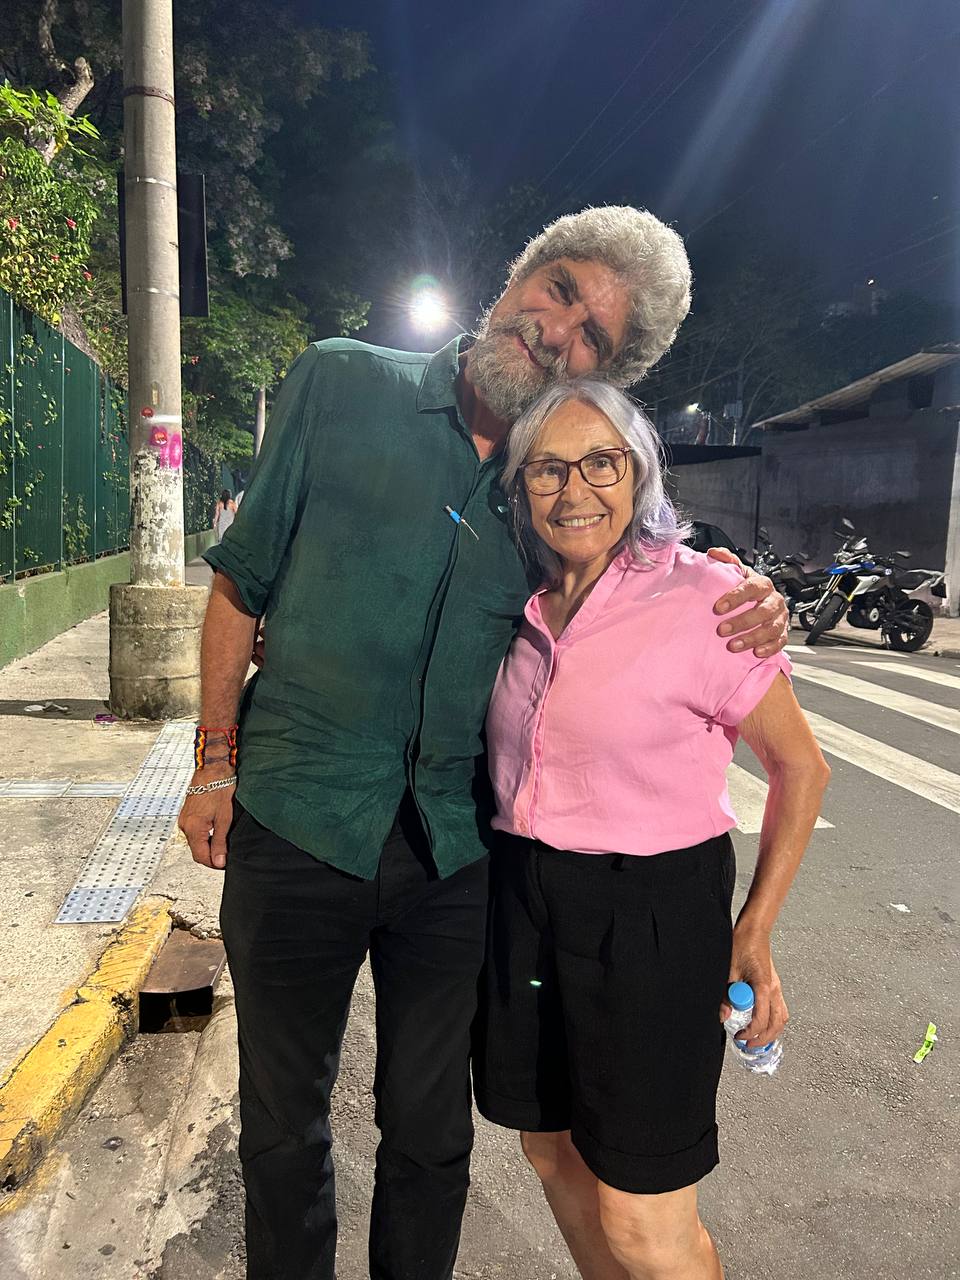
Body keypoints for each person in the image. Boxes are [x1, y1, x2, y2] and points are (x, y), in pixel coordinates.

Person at [176, 205, 791, 1280]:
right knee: (279, 1117)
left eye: (594, 337)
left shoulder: (551, 486)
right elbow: (241, 582)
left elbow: (648, 566)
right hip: (293, 815)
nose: (559, 332)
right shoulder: (338, 380)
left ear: (605, 374)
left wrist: (754, 591)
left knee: (430, 1130)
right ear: (519, 275)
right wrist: (214, 760)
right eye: (561, 290)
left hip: (453, 855)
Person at [473, 379, 830, 1280]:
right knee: (551, 1153)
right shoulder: (518, 601)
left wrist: (755, 930)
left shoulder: (706, 597)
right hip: (524, 901)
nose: (575, 490)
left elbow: (801, 769)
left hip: (652, 917)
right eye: (548, 468)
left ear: (639, 474)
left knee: (642, 1216)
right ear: (521, 486)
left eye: (602, 463)